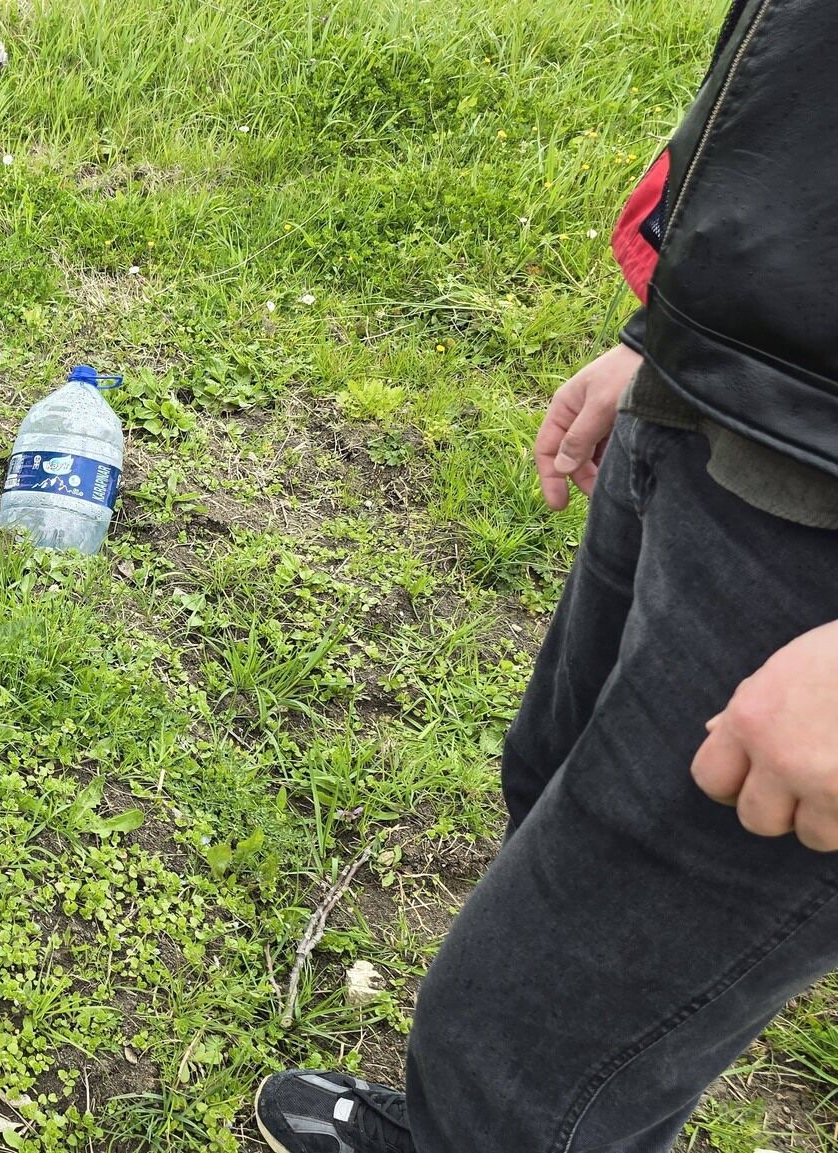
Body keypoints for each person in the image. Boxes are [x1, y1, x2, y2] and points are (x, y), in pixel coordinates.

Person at [254, 2, 838, 1150]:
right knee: (547, 786)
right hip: (732, 398)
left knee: (526, 1058)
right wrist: (666, 330)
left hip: (806, 561)